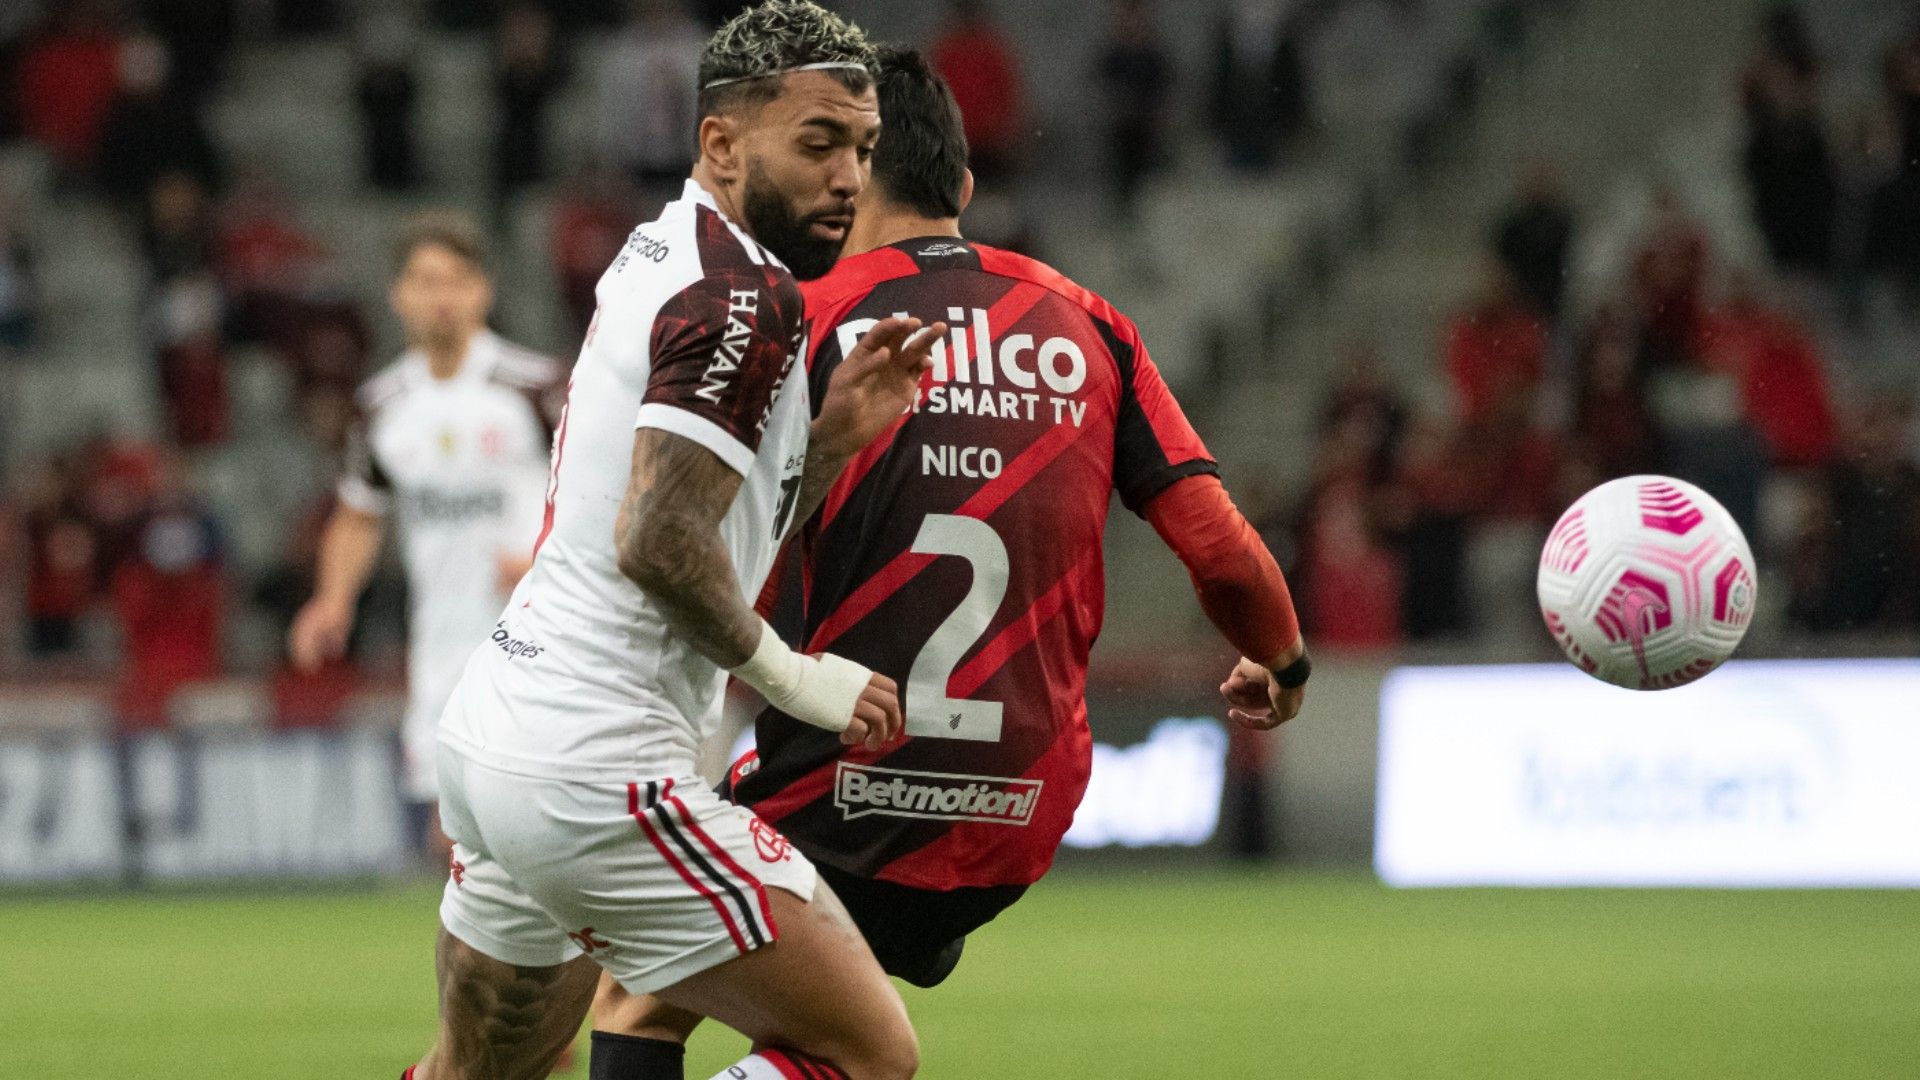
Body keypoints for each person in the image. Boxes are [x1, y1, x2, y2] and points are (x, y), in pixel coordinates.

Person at [590, 46, 1308, 1080]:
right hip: (1021, 809)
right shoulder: (1091, 325)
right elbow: (1221, 549)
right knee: (824, 1029)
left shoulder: (809, 313)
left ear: (855, 180)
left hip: (844, 779)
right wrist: (1281, 661)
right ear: (965, 189)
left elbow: (693, 536)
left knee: (641, 996)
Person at [400, 5, 949, 1079]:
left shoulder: (669, 247)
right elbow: (657, 541)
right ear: (722, 142)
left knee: (478, 1070)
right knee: (868, 1054)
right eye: (820, 142)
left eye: (865, 150)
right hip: (596, 774)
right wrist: (800, 682)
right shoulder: (745, 293)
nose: (850, 178)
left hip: (498, 737)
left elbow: (701, 527)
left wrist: (827, 440)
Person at [288, 212, 562, 859]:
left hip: (542, 641)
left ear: (483, 291)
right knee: (453, 846)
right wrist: (332, 600)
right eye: (424, 281)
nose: (441, 297)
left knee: (543, 837)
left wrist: (544, 557)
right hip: (442, 648)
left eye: (457, 281)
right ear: (398, 295)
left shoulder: (536, 389)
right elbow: (359, 513)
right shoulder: (382, 405)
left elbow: (601, 495)